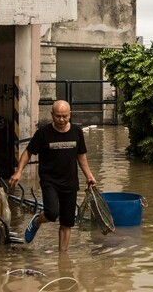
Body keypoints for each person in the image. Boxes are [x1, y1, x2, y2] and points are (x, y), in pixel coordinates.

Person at [9, 100, 97, 251]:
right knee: (52, 213)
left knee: (67, 222)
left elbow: (81, 156)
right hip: (50, 180)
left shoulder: (77, 132)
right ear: (52, 115)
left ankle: (63, 257)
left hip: (70, 182)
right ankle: (37, 221)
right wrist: (18, 172)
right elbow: (28, 152)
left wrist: (89, 176)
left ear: (70, 115)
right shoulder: (43, 133)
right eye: (58, 116)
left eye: (64, 116)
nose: (61, 120)